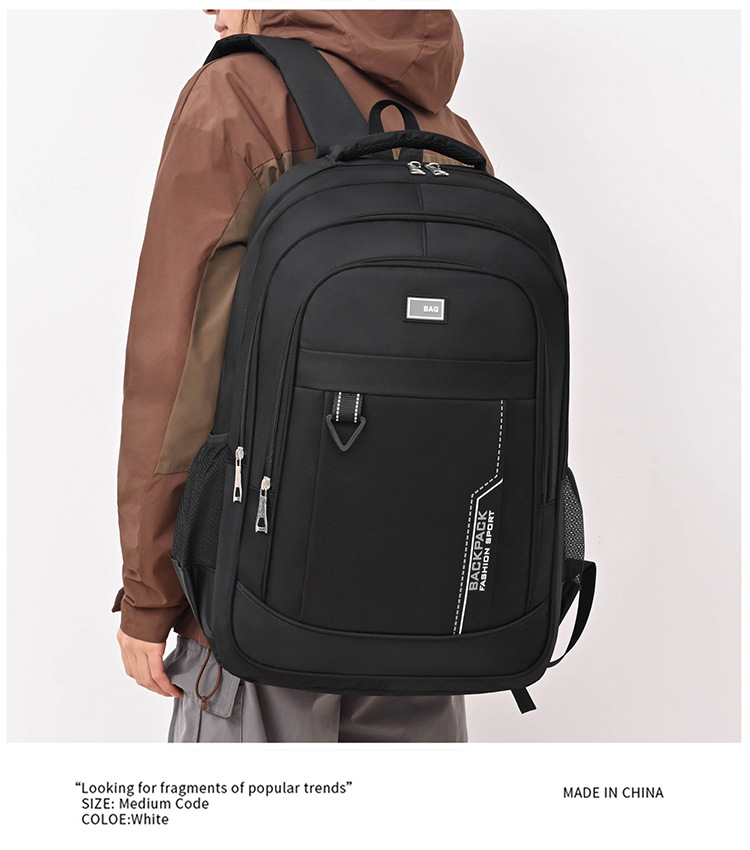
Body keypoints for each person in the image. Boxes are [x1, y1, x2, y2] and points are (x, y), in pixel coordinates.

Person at [115, 9, 492, 743]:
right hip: (430, 602)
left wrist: (149, 593)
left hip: (261, 595)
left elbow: (178, 363)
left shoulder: (238, 95)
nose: (207, 7)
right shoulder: (449, 129)